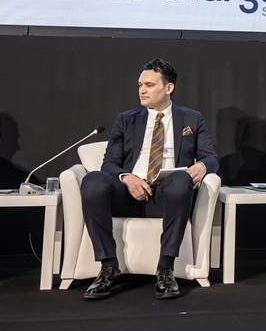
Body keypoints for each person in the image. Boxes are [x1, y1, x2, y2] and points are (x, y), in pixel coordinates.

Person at [80, 58, 218, 300]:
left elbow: (212, 158)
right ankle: (108, 267)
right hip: (128, 194)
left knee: (180, 179)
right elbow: (109, 163)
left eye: (149, 85)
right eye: (140, 85)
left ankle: (165, 269)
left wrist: (202, 166)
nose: (142, 90)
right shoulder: (126, 119)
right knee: (93, 180)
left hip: (167, 196)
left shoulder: (191, 119)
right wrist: (127, 178)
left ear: (168, 87)